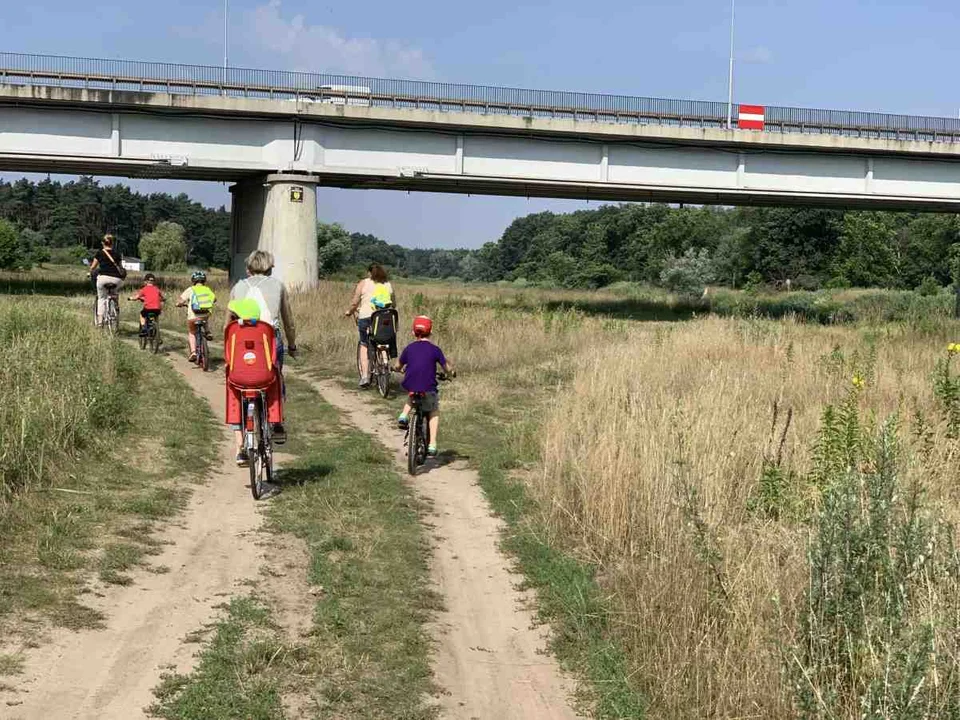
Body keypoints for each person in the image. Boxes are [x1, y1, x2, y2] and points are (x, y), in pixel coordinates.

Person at [229, 250, 297, 446]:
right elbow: (288, 321)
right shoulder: (278, 286)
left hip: (241, 342)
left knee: (237, 384)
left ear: (249, 267)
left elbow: (229, 323)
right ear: (270, 268)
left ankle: (239, 439)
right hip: (269, 341)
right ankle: (277, 421)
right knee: (275, 376)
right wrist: (292, 345)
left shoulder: (238, 287)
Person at [223, 297, 283, 468]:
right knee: (275, 378)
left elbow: (228, 358)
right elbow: (272, 357)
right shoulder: (265, 331)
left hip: (238, 380)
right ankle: (274, 422)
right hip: (264, 379)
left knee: (234, 396)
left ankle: (240, 448)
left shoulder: (233, 331)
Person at [395, 315, 454, 458]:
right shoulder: (435, 350)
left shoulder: (409, 348)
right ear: (431, 332)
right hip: (428, 387)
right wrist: (451, 372)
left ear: (413, 332)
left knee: (412, 394)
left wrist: (397, 369)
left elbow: (398, 365)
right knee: (433, 410)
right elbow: (446, 367)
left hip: (411, 384)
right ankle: (432, 444)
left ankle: (403, 415)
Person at [344, 263, 396, 388]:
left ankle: (365, 377)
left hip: (367, 317)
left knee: (364, 344)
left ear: (369, 273)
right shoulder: (387, 284)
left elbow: (355, 303)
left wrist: (349, 312)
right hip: (385, 318)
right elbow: (393, 303)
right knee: (383, 339)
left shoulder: (363, 283)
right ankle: (384, 363)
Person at [176, 271, 217, 362]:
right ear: (204, 280)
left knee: (192, 332)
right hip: (205, 314)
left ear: (193, 280)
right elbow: (214, 299)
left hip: (193, 315)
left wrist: (178, 304)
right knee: (205, 319)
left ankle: (193, 352)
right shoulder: (207, 289)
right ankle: (207, 332)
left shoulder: (190, 289)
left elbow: (181, 300)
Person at [88, 234, 126, 327]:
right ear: (112, 243)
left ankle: (100, 322)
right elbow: (120, 267)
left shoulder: (99, 253)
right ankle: (115, 305)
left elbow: (93, 267)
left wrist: (90, 272)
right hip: (117, 280)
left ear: (102, 243)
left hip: (103, 278)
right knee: (114, 292)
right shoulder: (117, 254)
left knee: (101, 299)